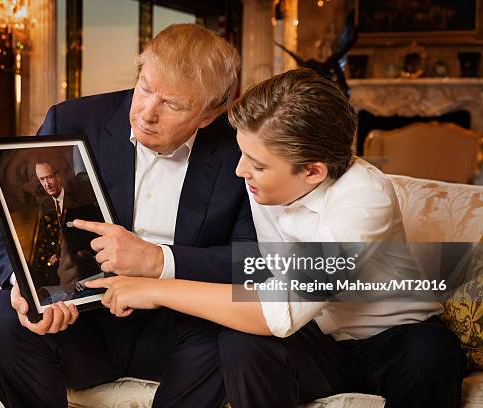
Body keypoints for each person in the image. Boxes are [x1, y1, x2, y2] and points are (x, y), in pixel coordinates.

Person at [84, 68, 466, 408]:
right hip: (314, 341)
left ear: (314, 171)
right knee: (237, 340)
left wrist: (152, 289)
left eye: (258, 164)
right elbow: (249, 275)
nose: (239, 171)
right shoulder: (263, 183)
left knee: (433, 351)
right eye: (243, 154)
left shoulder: (364, 198)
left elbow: (279, 311)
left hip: (392, 341)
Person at [0, 23, 255, 408]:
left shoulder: (243, 150)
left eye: (172, 104)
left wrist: (159, 261)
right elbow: (7, 227)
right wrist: (25, 282)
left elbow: (253, 263)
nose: (146, 113)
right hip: (84, 318)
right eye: (145, 88)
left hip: (182, 324)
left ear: (207, 115)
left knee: (239, 341)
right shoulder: (72, 120)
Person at [30, 159, 103, 303]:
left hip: (84, 274)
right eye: (42, 179)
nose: (46, 184)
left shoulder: (83, 204)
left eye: (49, 177)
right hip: (54, 278)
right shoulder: (43, 207)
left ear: (60, 176)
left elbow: (90, 245)